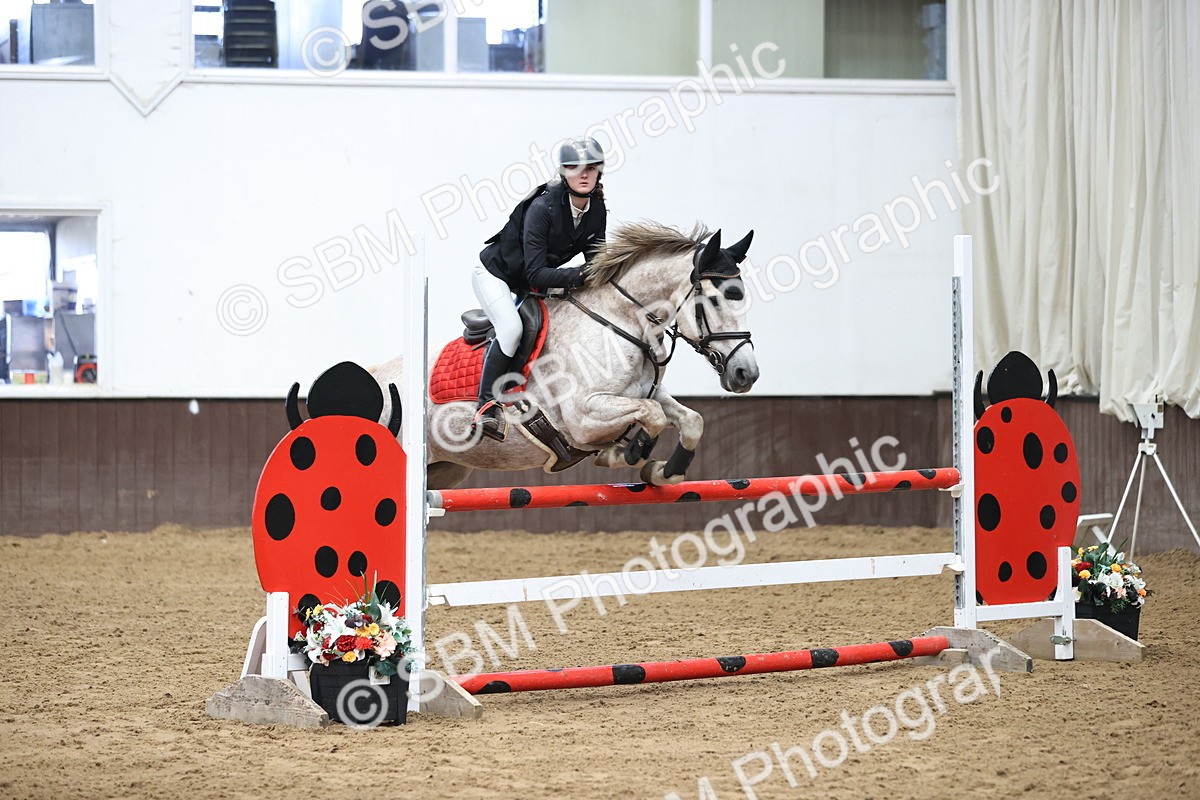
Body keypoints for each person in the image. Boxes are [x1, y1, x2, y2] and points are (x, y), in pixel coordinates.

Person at [471, 136, 608, 440]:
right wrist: (579, 275)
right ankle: (486, 407)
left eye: (591, 167)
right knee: (511, 328)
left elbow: (596, 263)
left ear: (600, 171)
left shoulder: (597, 208)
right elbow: (535, 273)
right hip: (496, 274)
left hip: (534, 279)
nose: (583, 174)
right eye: (574, 167)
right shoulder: (543, 207)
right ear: (563, 172)